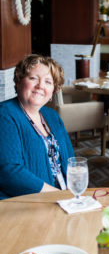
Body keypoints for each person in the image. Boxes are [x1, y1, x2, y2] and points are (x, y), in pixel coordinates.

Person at [0, 55, 74, 199]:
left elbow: (71, 160)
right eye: (33, 78)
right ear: (19, 81)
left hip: (63, 197)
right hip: (26, 201)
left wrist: (74, 195)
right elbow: (9, 172)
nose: (41, 86)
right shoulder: (5, 115)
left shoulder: (52, 116)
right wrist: (59, 196)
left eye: (48, 82)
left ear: (53, 90)